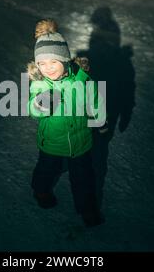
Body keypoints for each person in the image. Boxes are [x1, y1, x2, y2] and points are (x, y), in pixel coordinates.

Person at [26, 19, 107, 227]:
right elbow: (32, 110)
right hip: (52, 142)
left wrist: (101, 119)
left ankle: (88, 209)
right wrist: (40, 105)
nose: (48, 68)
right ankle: (41, 190)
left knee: (84, 178)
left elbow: (94, 99)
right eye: (42, 63)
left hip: (81, 143)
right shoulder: (40, 85)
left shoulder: (81, 79)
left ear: (65, 58)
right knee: (47, 169)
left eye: (53, 61)